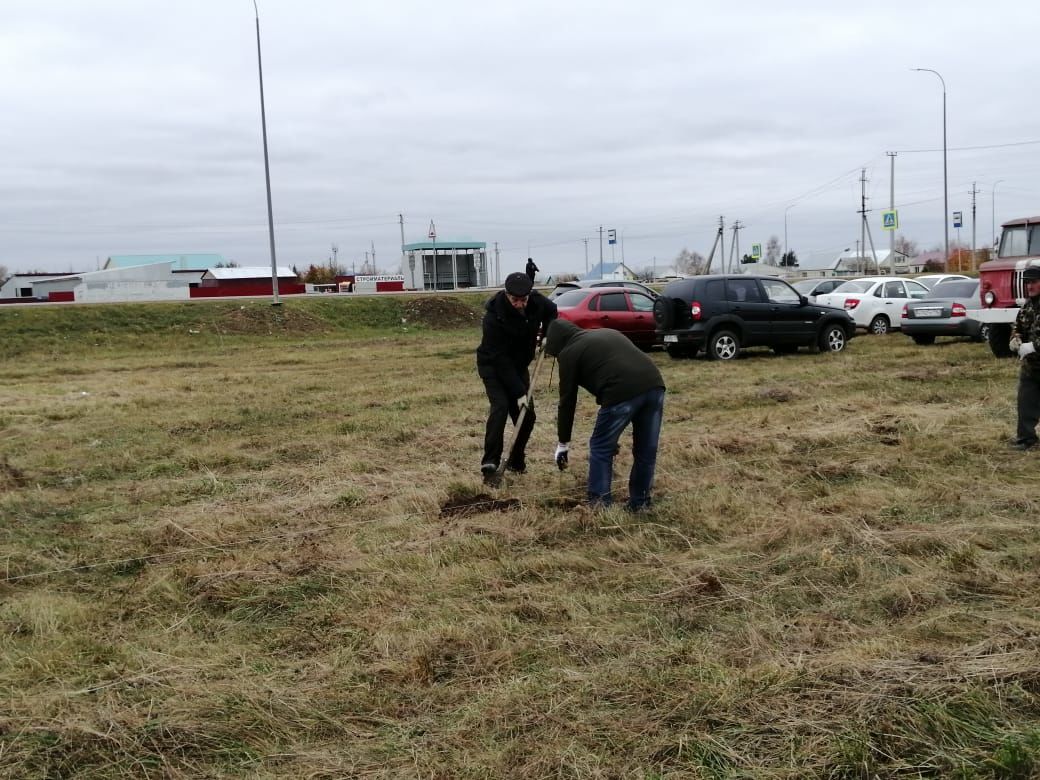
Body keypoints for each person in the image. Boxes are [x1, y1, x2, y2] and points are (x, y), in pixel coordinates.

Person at [543, 319, 665, 510]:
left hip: (621, 393)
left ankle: (599, 504)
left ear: (557, 343)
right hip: (655, 386)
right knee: (646, 451)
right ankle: (640, 504)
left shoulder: (568, 353)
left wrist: (563, 443)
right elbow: (612, 369)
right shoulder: (605, 332)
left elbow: (567, 402)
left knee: (600, 447)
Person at [476, 271, 558, 479]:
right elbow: (500, 359)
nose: (520, 304)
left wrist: (547, 334)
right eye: (515, 300)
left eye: (523, 300)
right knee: (501, 408)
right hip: (493, 367)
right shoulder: (494, 316)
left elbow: (552, 311)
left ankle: (516, 459)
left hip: (520, 366)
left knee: (527, 416)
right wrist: (519, 391)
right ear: (506, 294)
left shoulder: (537, 301)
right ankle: (490, 462)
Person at [1009, 265, 1040, 450]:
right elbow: (1017, 325)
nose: (1030, 286)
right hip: (1031, 367)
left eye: (1034, 282)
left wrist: (1035, 346)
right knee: (1025, 403)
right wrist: (1016, 338)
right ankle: (1026, 439)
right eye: (1027, 282)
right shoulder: (1028, 305)